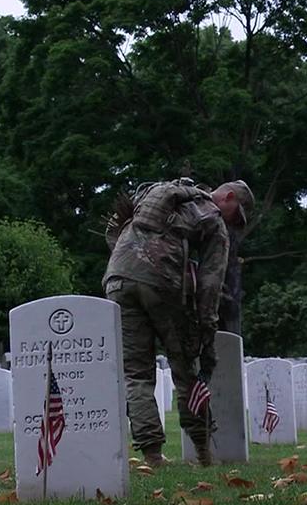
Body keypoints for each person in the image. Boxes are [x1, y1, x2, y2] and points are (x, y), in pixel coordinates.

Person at [103, 177, 254, 467]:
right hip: (163, 284)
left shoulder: (158, 193)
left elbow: (114, 231)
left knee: (135, 374)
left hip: (118, 278)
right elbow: (211, 282)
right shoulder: (212, 216)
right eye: (238, 215)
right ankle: (203, 453)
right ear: (230, 197)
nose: (234, 224)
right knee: (186, 367)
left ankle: (152, 455)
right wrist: (206, 327)